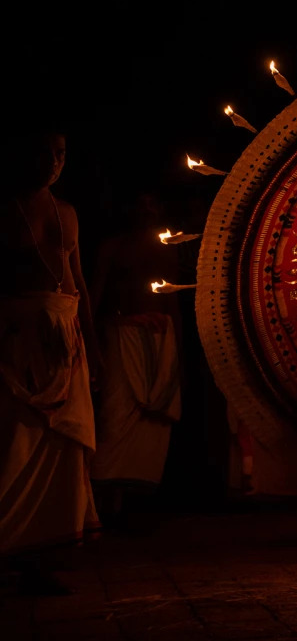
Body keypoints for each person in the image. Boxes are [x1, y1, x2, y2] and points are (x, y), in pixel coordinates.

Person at [0, 125, 101, 593]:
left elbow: (77, 282)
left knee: (63, 448)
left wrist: (93, 347)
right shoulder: (5, 211)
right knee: (17, 444)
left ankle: (41, 553)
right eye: (44, 152)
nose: (54, 162)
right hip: (20, 342)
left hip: (68, 339)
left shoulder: (68, 213)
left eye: (61, 153)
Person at [89, 192, 183, 527]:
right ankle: (103, 502)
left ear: (159, 207)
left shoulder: (167, 248)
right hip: (121, 335)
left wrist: (177, 351)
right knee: (115, 417)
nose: (146, 209)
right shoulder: (113, 247)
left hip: (161, 340)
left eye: (151, 203)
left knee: (151, 423)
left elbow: (172, 301)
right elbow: (95, 297)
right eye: (139, 203)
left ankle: (134, 507)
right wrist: (99, 337)